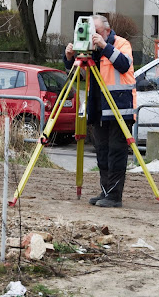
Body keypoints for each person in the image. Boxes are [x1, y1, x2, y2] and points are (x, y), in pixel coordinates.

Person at [64, 14, 136, 208]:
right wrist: (70, 58)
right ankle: (105, 191)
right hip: (98, 109)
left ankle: (114, 196)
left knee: (116, 153)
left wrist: (104, 46)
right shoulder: (92, 51)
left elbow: (123, 65)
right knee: (102, 153)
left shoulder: (121, 43)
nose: (92, 35)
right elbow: (79, 75)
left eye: (95, 31)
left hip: (120, 109)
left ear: (106, 30)